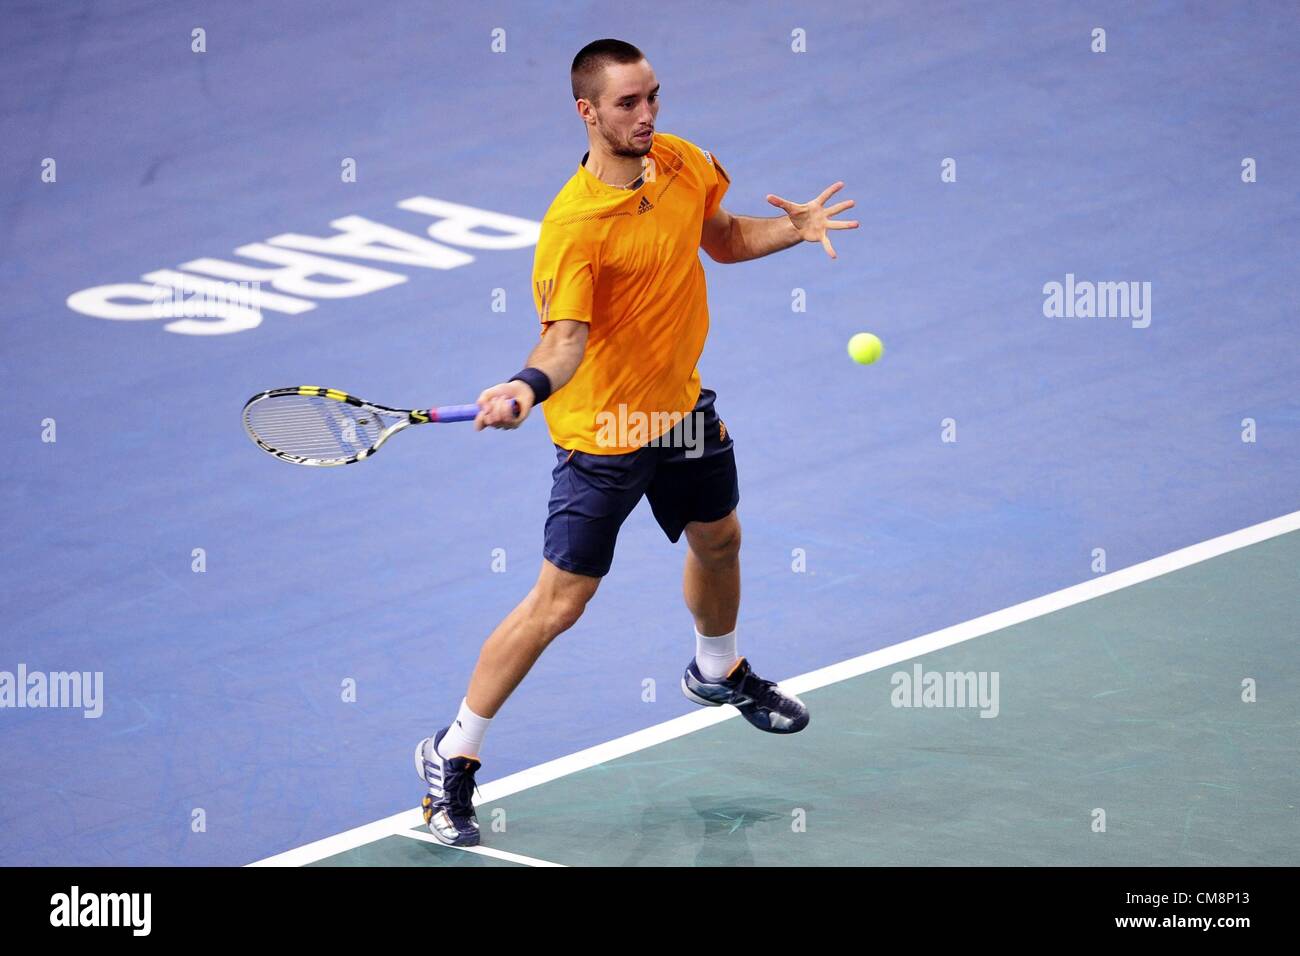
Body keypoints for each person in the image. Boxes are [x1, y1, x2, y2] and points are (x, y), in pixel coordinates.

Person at [415, 38, 858, 846]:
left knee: (719, 540)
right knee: (561, 604)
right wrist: (525, 386)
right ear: (587, 112)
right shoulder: (573, 228)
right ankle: (453, 753)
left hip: (681, 410)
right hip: (605, 434)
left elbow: (719, 238)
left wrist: (792, 231)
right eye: (627, 103)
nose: (647, 113)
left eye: (652, 95)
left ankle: (716, 671)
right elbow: (564, 341)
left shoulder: (683, 161)